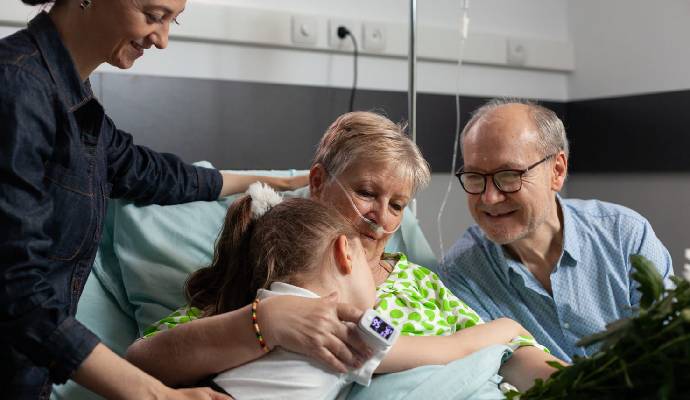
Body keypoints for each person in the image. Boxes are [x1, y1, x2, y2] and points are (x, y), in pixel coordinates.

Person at [0, 1, 349, 398]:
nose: (163, 40)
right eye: (153, 16)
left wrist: (269, 183)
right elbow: (17, 294)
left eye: (172, 21)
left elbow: (146, 172)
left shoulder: (73, 100)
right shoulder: (16, 88)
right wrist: (158, 395)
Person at [129, 111, 563, 394]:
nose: (381, 218)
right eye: (366, 193)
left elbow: (510, 355)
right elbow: (143, 365)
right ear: (317, 182)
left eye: (397, 206)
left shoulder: (420, 282)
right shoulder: (273, 272)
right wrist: (264, 324)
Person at [437, 99, 674, 363]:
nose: (489, 198)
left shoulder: (625, 235)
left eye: (509, 175)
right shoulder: (462, 273)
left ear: (557, 171)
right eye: (474, 177)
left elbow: (669, 343)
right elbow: (499, 370)